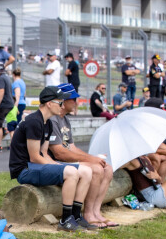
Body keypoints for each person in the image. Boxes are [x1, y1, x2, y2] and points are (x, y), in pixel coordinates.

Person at [9, 86, 92, 232]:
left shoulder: (48, 123)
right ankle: (65, 220)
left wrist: (57, 166)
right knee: (71, 172)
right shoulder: (34, 121)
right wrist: (61, 168)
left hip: (35, 165)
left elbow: (44, 153)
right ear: (49, 103)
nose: (62, 106)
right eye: (60, 102)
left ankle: (76, 216)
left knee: (86, 172)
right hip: (24, 169)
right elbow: (35, 157)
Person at [49, 83, 117, 229]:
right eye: (73, 99)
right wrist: (91, 160)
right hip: (55, 163)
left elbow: (72, 148)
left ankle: (95, 212)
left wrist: (93, 158)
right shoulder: (53, 119)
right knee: (97, 169)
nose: (76, 102)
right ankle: (88, 213)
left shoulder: (65, 119)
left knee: (107, 169)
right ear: (63, 101)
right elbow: (59, 153)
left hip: (65, 160)